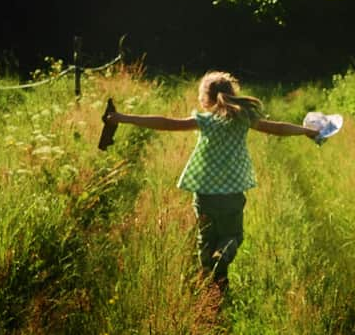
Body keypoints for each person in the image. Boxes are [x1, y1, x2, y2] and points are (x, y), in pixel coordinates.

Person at [105, 71, 319, 293]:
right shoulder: (243, 119)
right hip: (232, 195)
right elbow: (278, 128)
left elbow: (165, 123)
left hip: (204, 194)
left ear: (205, 99)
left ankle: (212, 282)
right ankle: (223, 258)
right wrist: (305, 131)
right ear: (232, 95)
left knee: (205, 240)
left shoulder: (204, 121)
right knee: (232, 236)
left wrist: (123, 118)